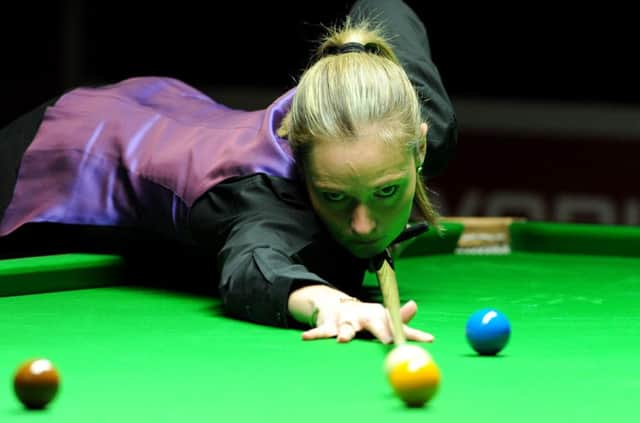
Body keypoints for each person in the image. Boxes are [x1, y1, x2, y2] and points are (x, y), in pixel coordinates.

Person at [0, 0, 457, 344]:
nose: (363, 225)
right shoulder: (261, 196)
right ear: (302, 160)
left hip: (164, 108)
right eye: (335, 196)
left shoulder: (413, 118)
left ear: (418, 145)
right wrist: (333, 303)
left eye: (386, 191)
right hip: (66, 153)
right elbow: (250, 270)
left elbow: (384, 8)